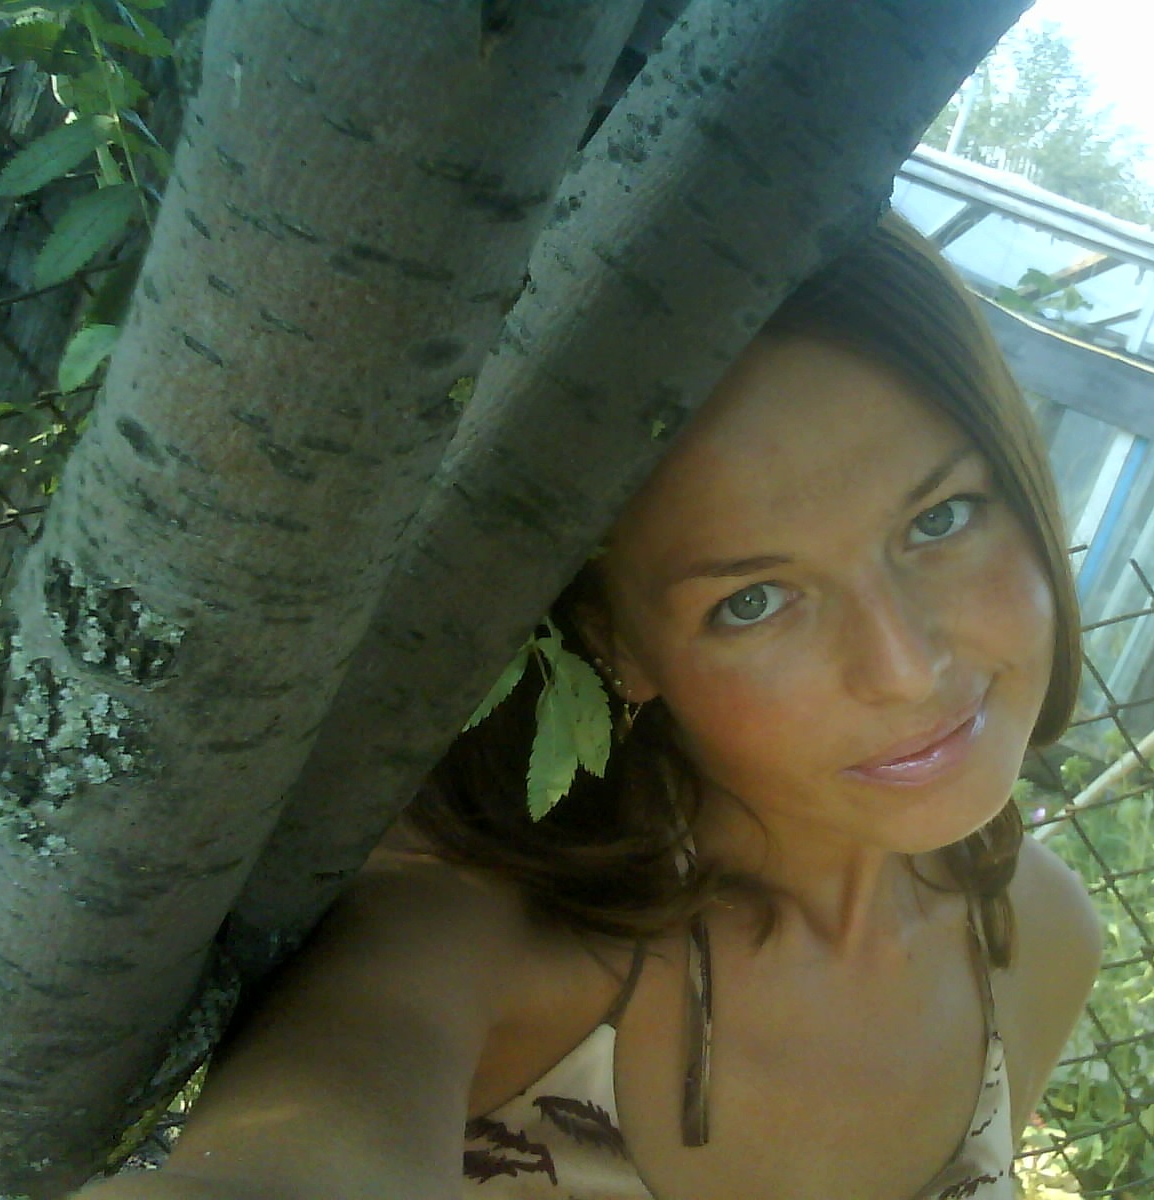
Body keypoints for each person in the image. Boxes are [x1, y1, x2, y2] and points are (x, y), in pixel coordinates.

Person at [75, 213, 1100, 1200]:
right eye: (751, 601)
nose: (905, 668)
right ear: (614, 642)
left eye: (941, 518)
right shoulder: (474, 941)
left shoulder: (1037, 941)